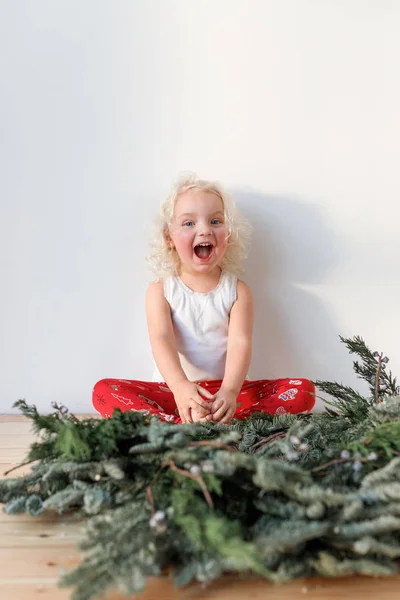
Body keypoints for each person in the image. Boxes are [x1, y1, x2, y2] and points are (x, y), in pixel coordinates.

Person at [92, 174, 315, 424]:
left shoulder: (238, 291)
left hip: (228, 394)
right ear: (169, 238)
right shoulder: (161, 291)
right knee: (103, 391)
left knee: (303, 390)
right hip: (172, 393)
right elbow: (161, 340)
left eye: (215, 221)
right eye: (188, 223)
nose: (204, 229)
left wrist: (229, 392)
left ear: (228, 234)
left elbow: (240, 344)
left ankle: (215, 420)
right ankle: (180, 423)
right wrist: (179, 387)